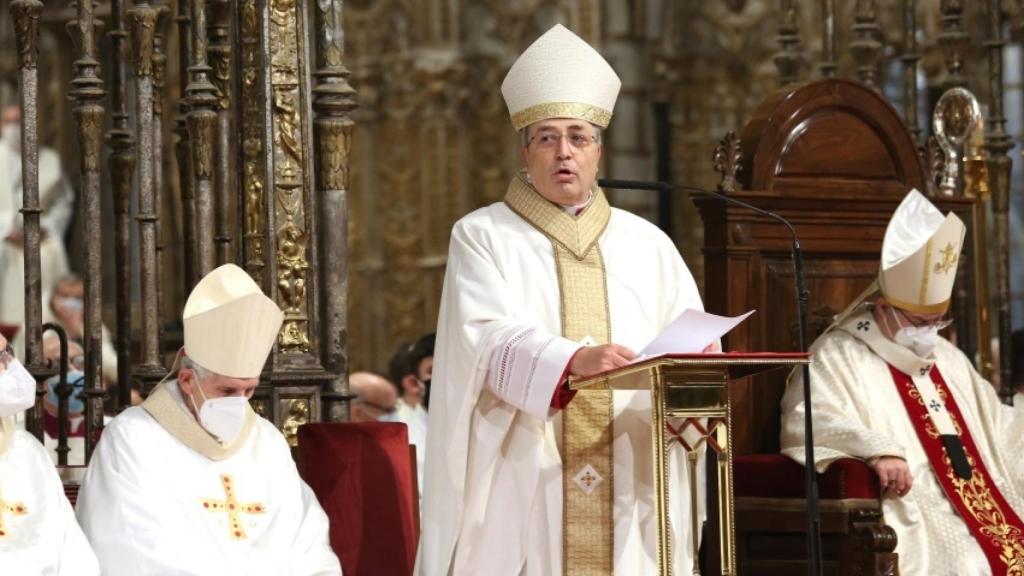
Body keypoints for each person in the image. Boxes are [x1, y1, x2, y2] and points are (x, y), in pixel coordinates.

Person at [419, 24, 706, 575]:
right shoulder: (483, 234)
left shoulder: (648, 242)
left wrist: (698, 368)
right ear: (524, 152)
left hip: (632, 458)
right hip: (528, 458)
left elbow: (693, 342)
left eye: (579, 136)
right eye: (546, 137)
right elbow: (482, 336)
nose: (564, 152)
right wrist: (572, 361)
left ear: (600, 150)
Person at [780, 189, 1024, 575]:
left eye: (939, 322)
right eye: (920, 323)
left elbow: (997, 424)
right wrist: (878, 449)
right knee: (967, 563)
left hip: (986, 496)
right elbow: (808, 417)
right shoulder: (839, 353)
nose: (931, 334)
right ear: (883, 308)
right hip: (911, 502)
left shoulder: (946, 357)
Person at [75, 264, 342, 575]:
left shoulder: (266, 441)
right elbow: (132, 545)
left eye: (249, 389)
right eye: (228, 389)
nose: (240, 402)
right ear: (188, 380)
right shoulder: (134, 438)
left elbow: (306, 538)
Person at [0, 332, 100, 574]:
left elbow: (70, 547)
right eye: (53, 365)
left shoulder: (27, 450)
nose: (8, 366)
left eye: (6, 354)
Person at [0, 99, 74, 360]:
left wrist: (46, 228)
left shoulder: (49, 159)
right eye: (9, 122)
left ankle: (47, 355)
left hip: (42, 244)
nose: (14, 128)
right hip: (6, 247)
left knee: (45, 306)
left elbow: (63, 204)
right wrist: (6, 230)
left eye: (19, 122)